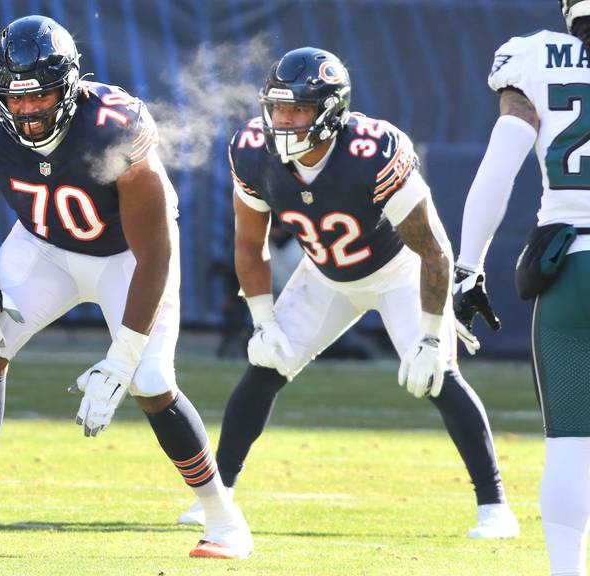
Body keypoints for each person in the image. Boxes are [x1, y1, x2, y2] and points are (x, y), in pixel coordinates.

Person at [0, 15, 252, 559]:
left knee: (148, 378)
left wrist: (121, 356)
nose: (26, 112)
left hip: (126, 256)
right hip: (43, 245)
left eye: (39, 96)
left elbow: (156, 251)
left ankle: (223, 519)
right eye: (14, 98)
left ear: (69, 87)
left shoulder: (113, 125)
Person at [178, 47, 519, 539]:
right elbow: (250, 244)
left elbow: (434, 251)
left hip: (398, 269)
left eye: (298, 109)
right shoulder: (253, 151)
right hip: (325, 274)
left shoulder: (372, 151)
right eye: (277, 107)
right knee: (266, 366)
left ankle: (495, 508)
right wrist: (262, 320)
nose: (284, 120)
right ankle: (218, 494)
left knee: (438, 376)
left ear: (330, 112)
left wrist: (428, 337)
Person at [453, 1, 590, 572]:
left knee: (572, 443)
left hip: (574, 264)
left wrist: (467, 268)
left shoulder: (533, 56)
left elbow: (501, 164)